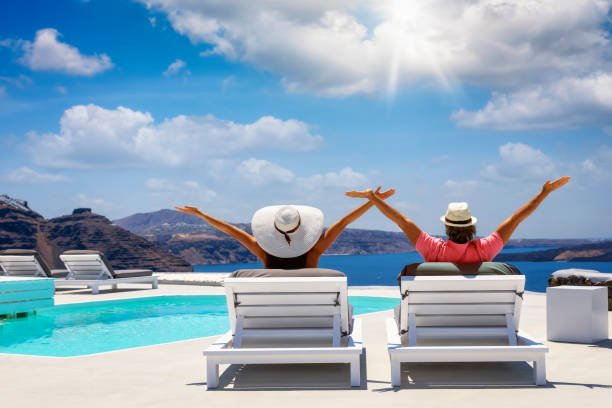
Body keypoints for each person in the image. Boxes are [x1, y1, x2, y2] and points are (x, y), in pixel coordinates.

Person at [346, 177, 571, 262]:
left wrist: (373, 198)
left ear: (446, 225)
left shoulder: (433, 250)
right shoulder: (485, 250)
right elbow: (516, 219)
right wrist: (544, 193)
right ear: (472, 225)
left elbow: (402, 221)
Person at [174, 187, 395, 269]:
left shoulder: (262, 251)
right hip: (316, 322)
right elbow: (345, 222)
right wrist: (373, 200)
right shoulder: (315, 252)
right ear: (303, 227)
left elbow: (231, 230)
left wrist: (201, 214)